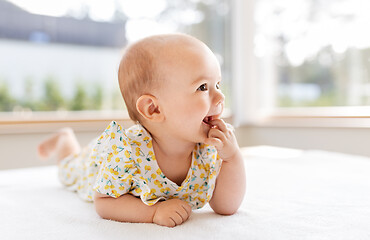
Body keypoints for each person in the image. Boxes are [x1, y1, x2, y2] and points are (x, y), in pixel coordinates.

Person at [38, 33, 246, 227]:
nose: (220, 97)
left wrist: (232, 158)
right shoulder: (125, 152)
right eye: (202, 87)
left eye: (218, 84)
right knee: (69, 169)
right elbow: (104, 202)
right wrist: (154, 212)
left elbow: (225, 206)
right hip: (94, 165)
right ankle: (64, 139)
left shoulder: (210, 148)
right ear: (153, 109)